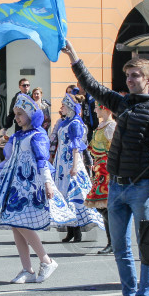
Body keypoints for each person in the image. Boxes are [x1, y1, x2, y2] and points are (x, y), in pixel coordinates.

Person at [64, 40, 149, 296]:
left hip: (142, 186)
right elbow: (92, 85)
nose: (130, 79)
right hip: (116, 186)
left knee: (146, 247)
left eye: (135, 75)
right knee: (121, 249)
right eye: (127, 75)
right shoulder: (122, 103)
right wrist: (74, 56)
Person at [0, 93, 72, 283]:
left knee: (22, 224)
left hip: (29, 186)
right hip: (14, 186)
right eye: (15, 114)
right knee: (16, 226)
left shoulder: (37, 136)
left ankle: (46, 260)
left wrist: (48, 183)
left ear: (31, 115)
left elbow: (42, 161)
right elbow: (9, 158)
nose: (17, 117)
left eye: (20, 113)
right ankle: (27, 269)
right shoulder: (19, 135)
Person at [53, 92, 104, 243]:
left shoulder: (75, 123)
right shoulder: (65, 123)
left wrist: (75, 166)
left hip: (71, 163)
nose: (61, 108)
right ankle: (70, 230)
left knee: (74, 196)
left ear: (69, 107)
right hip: (62, 163)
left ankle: (77, 230)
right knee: (64, 195)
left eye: (63, 105)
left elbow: (77, 148)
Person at [86, 103, 116, 254]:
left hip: (107, 169)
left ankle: (113, 241)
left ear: (106, 109)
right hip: (99, 168)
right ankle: (113, 240)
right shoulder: (101, 126)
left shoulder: (111, 126)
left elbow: (115, 150)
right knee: (101, 205)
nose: (95, 110)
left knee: (106, 205)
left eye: (97, 107)